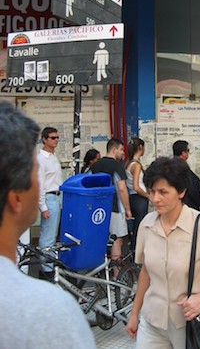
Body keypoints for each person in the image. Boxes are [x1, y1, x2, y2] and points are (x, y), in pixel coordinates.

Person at [0, 100, 96, 349]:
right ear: (16, 198)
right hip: (50, 203)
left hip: (57, 200)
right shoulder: (50, 310)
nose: (55, 140)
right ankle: (45, 273)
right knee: (46, 241)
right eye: (29, 175)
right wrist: (43, 205)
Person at [126, 157, 200, 348]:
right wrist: (135, 313)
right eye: (152, 191)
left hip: (190, 324)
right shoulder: (147, 224)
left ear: (181, 192)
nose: (155, 199)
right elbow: (146, 271)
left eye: (163, 192)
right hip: (152, 320)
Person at [91, 138, 132, 264]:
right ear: (114, 150)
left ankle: (100, 269)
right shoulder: (117, 166)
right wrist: (127, 209)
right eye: (120, 150)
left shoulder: (95, 165)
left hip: (98, 208)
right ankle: (116, 274)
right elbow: (122, 188)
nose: (122, 153)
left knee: (101, 238)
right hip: (115, 207)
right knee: (117, 240)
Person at [37, 126, 63, 279]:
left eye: (57, 137)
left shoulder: (53, 157)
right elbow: (40, 183)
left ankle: (49, 264)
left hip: (58, 197)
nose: (56, 140)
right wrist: (43, 206)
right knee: (47, 235)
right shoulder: (41, 159)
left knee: (52, 235)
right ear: (44, 140)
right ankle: (46, 269)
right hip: (49, 197)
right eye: (53, 138)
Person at [125, 137, 150, 251]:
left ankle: (134, 252)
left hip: (132, 198)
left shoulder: (128, 163)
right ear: (140, 147)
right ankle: (137, 254)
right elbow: (137, 186)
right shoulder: (137, 165)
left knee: (136, 228)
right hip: (140, 199)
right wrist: (149, 196)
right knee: (140, 228)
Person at [173, 140, 200, 210]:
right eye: (188, 150)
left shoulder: (170, 166)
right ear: (183, 153)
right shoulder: (182, 167)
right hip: (188, 204)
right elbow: (192, 187)